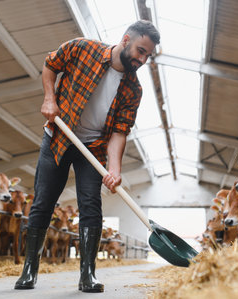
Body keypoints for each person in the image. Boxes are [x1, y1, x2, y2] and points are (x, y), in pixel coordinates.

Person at [15, 20, 160, 293]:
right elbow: (51, 64)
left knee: (91, 207)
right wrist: (49, 99)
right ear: (126, 39)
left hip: (92, 148)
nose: (142, 59)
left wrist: (114, 170)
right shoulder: (82, 49)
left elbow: (119, 132)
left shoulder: (133, 89)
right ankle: (29, 271)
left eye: (147, 55)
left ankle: (87, 276)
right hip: (58, 137)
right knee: (43, 202)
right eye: (141, 51)